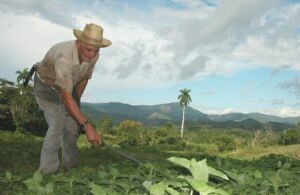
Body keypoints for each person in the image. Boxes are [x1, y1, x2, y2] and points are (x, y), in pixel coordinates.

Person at [33, 23, 111, 174]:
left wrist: (75, 105)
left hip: (69, 89)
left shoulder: (94, 55)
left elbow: (84, 78)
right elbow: (64, 94)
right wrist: (87, 126)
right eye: (89, 49)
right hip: (46, 88)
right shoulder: (64, 57)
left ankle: (71, 168)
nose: (92, 54)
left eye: (96, 50)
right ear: (79, 42)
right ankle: (47, 171)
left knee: (72, 126)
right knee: (57, 123)